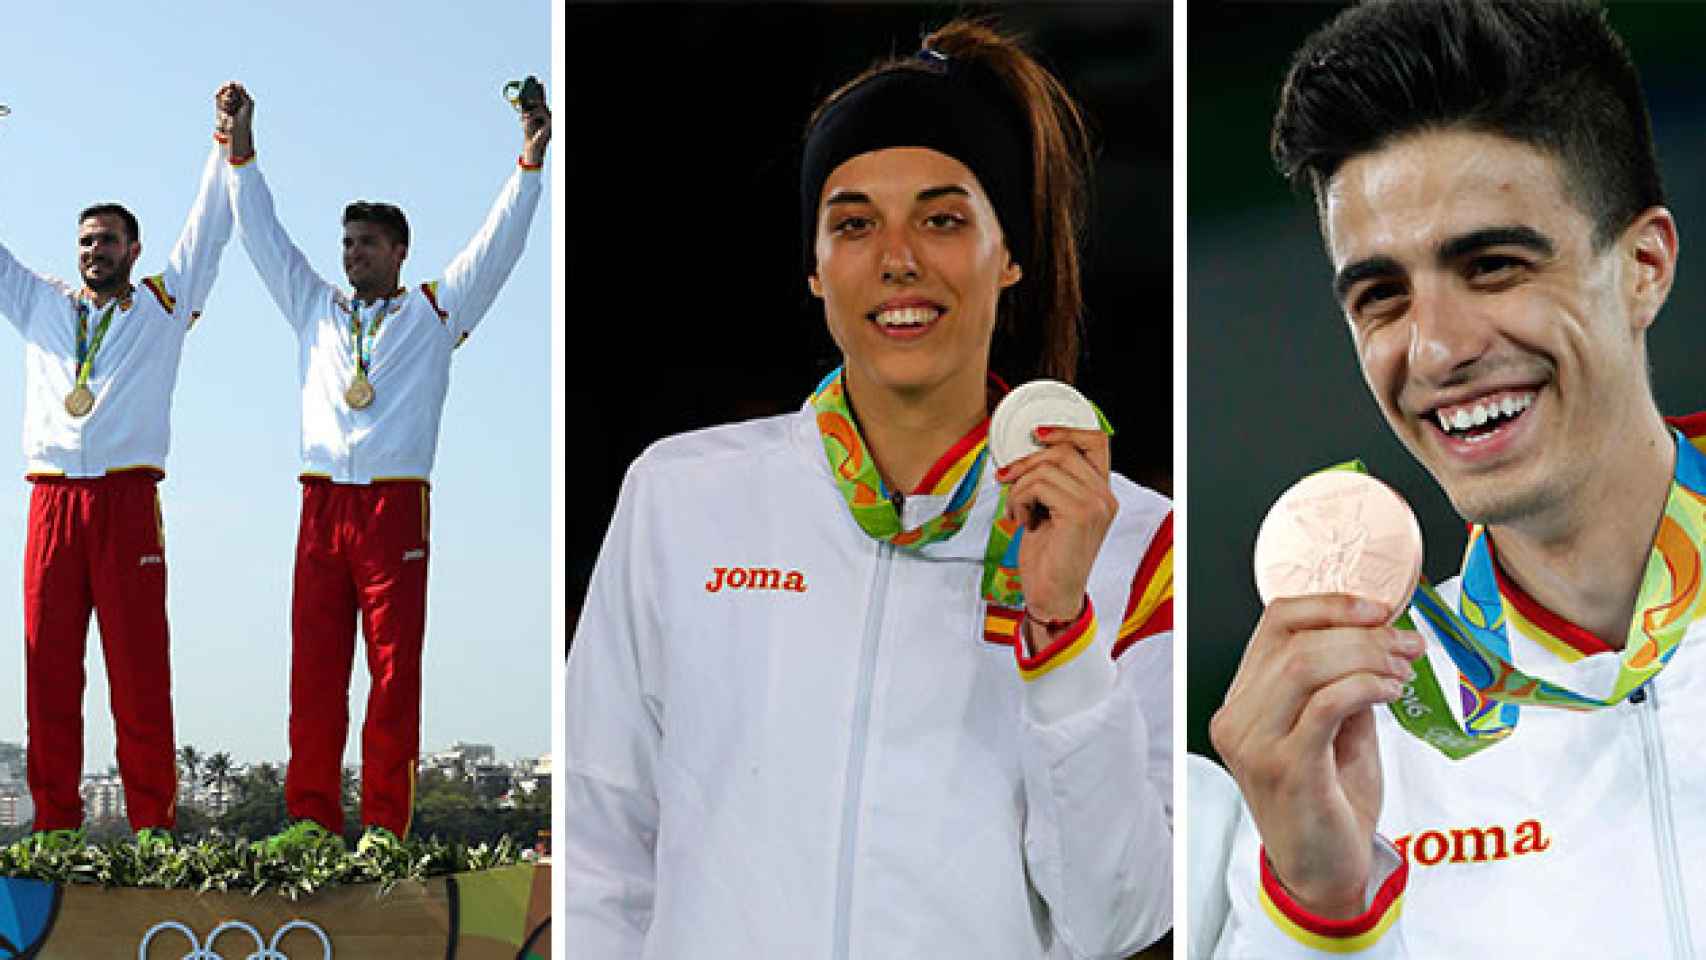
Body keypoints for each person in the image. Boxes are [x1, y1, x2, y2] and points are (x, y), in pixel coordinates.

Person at [566, 20, 1173, 958]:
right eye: (854, 224)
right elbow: (597, 848)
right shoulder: (681, 497)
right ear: (814, 269)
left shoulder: (1133, 542)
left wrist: (1059, 640)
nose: (898, 259)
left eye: (942, 218)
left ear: (1007, 254)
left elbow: (1118, 921)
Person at [1203, 1, 1704, 955]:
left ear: (1643, 266)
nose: (1434, 349)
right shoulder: (1345, 750)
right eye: (1382, 295)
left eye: (1494, 265)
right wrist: (1321, 912)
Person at [214, 81, 549, 854]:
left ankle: (384, 831)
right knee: (314, 674)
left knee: (393, 676)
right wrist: (242, 148)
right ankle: (309, 823)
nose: (351, 254)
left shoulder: (436, 313)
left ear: (399, 251)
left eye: (366, 243)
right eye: (347, 244)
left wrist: (530, 164)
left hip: (395, 508)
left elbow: (498, 246)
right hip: (320, 504)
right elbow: (263, 235)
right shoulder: (314, 309)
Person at [0, 90, 236, 853]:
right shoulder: (41, 305)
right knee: (49, 676)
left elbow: (210, 230)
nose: (92, 251)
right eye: (84, 242)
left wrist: (223, 141)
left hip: (129, 503)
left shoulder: (165, 308)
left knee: (139, 676)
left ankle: (155, 831)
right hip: (51, 505)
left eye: (106, 240)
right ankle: (58, 831)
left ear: (134, 249)